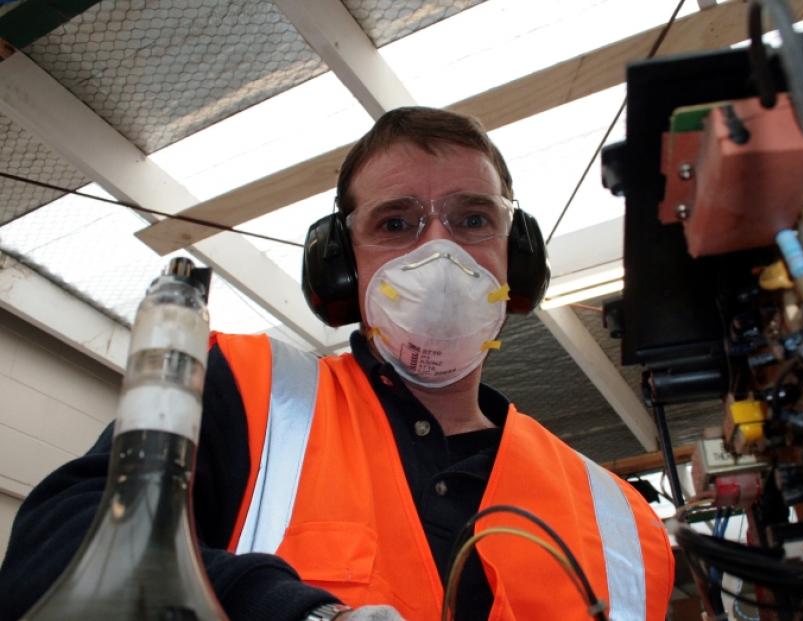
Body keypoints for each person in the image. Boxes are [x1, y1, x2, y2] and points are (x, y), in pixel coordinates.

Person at [0, 107, 673, 621]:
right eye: (396, 223)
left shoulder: (622, 521)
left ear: (514, 255)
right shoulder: (246, 392)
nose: (440, 253)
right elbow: (52, 552)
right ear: (342, 268)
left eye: (472, 219)